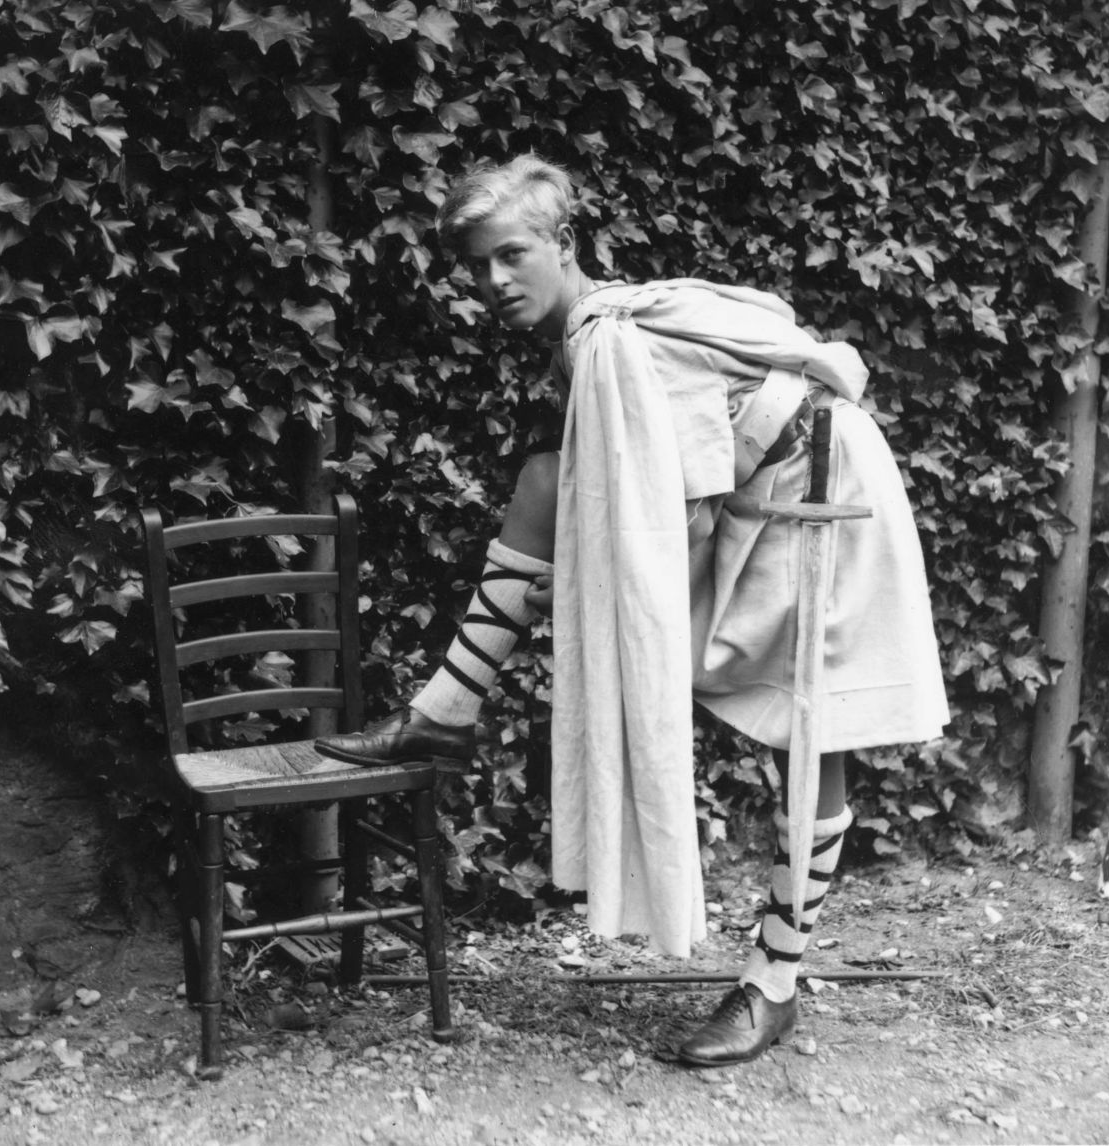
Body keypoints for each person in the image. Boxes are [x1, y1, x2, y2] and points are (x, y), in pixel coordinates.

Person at [317, 154, 950, 1067]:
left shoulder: (609, 336)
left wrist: (575, 597)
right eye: (477, 266)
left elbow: (679, 513)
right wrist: (570, 594)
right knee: (542, 481)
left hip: (819, 496)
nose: (494, 282)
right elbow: (641, 489)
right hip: (753, 497)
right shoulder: (595, 331)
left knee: (815, 741)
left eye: (513, 255)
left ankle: (774, 984)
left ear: (562, 244)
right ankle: (443, 714)